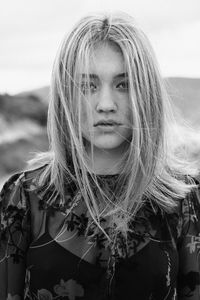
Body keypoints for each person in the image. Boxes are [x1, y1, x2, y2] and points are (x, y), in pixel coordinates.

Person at [0, 12, 200, 300]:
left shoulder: (183, 202)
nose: (105, 104)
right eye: (87, 86)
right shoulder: (23, 199)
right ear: (65, 96)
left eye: (123, 84)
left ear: (146, 93)